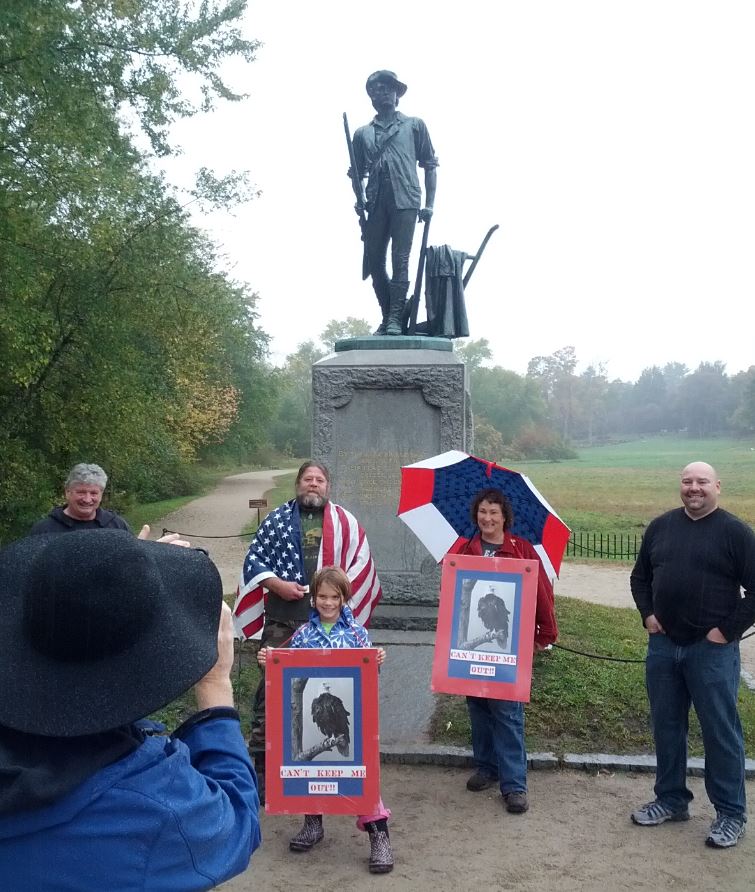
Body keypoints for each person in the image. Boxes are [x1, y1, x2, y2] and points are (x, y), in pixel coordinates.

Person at [0, 529, 261, 889]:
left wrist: (140, 583)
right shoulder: (156, 806)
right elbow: (237, 824)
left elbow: (76, 699)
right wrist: (215, 683)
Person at [233, 461, 381, 791]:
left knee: (327, 693)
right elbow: (254, 561)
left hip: (328, 627)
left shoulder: (347, 523)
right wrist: (276, 584)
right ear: (298, 484)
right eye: (307, 479)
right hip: (284, 622)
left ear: (328, 485)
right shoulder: (275, 521)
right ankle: (263, 768)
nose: (313, 484)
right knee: (272, 694)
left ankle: (322, 764)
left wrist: (335, 602)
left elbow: (360, 564)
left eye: (319, 480)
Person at [629, 461, 755, 848]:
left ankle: (731, 813)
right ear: (680, 486)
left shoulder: (735, 533)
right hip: (664, 647)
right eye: (687, 481)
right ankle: (671, 800)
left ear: (717, 486)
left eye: (702, 481)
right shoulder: (661, 527)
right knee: (667, 727)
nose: (694, 488)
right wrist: (648, 615)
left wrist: (724, 632)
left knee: (720, 732)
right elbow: (640, 577)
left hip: (711, 651)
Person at [257, 566, 392, 873]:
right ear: (313, 598)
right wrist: (269, 659)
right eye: (322, 596)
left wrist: (376, 661)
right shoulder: (303, 634)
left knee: (362, 776)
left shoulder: (358, 633)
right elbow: (285, 672)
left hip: (350, 721)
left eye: (335, 597)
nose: (328, 603)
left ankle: (378, 835)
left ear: (344, 598)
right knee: (311, 772)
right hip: (314, 717)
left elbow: (367, 679)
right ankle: (313, 824)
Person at [448, 487, 558, 814]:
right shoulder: (464, 549)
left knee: (507, 713)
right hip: (470, 646)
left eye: (494, 512)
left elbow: (542, 593)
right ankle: (487, 767)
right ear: (475, 515)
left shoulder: (521, 550)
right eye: (483, 512)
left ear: (504, 517)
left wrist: (545, 632)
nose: (488, 518)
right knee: (478, 708)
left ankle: (514, 785)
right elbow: (455, 598)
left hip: (510, 648)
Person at [352, 70, 438, 336]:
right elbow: (355, 172)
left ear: (397, 94)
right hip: (376, 201)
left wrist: (430, 204)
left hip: (406, 199)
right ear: (371, 97)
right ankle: (392, 312)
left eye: (388, 87)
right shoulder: (362, 133)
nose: (383, 92)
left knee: (400, 260)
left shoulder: (414, 125)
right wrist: (360, 198)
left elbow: (430, 165)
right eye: (377, 89)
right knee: (374, 261)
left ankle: (392, 321)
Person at [29, 462, 186, 544]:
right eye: (81, 492)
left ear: (101, 494)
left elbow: (132, 567)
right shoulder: (44, 530)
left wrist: (151, 552)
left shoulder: (117, 525)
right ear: (67, 492)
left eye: (94, 493)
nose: (87, 499)